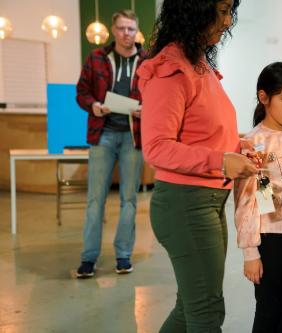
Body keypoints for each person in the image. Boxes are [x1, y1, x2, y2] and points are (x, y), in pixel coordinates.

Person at [137, 0, 258, 331]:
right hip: (186, 204)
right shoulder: (170, 69)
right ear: (193, 10)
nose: (227, 19)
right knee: (205, 313)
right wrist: (221, 160)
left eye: (230, 10)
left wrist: (236, 148)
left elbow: (202, 131)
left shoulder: (197, 63)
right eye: (220, 10)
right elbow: (157, 148)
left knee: (191, 307)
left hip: (206, 200)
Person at [234, 62, 282, 333]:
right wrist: (250, 253)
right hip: (269, 239)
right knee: (267, 311)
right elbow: (245, 202)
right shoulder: (253, 143)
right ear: (264, 97)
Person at [75, 10, 146, 278]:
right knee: (95, 200)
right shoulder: (96, 58)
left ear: (136, 31)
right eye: (121, 29)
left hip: (133, 136)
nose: (126, 34)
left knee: (129, 199)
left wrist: (146, 110)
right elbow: (81, 91)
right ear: (113, 30)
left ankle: (123, 255)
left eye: (131, 29)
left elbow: (158, 97)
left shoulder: (147, 61)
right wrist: (93, 105)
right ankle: (88, 258)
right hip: (101, 134)